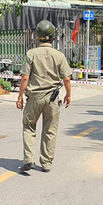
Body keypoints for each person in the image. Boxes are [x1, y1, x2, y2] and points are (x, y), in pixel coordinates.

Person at [16, 20, 72, 173]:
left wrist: (20, 97)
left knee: (28, 127)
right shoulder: (59, 55)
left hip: (34, 97)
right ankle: (46, 163)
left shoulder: (31, 54)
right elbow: (66, 78)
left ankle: (28, 159)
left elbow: (25, 78)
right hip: (53, 99)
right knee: (49, 130)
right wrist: (68, 95)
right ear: (52, 37)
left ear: (37, 36)